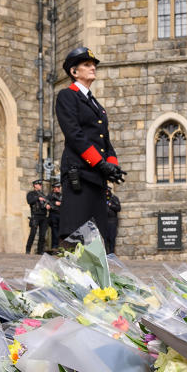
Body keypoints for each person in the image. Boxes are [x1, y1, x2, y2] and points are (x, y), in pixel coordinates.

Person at [55, 46, 125, 242]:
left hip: (96, 176)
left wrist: (113, 165)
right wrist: (99, 163)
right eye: (87, 65)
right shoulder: (67, 96)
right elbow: (74, 134)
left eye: (93, 65)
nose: (93, 68)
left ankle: (93, 271)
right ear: (74, 72)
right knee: (77, 232)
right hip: (80, 173)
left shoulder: (97, 106)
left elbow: (105, 140)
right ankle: (72, 272)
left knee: (96, 234)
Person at [25, 179, 48, 254]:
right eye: (39, 184)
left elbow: (46, 203)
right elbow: (29, 201)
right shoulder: (31, 193)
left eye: (41, 184)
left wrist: (47, 206)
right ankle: (28, 250)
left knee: (42, 234)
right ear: (35, 185)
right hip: (35, 215)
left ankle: (40, 250)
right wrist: (37, 198)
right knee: (33, 233)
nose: (41, 186)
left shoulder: (43, 194)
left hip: (43, 216)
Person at [105, 186, 121, 254]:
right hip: (104, 221)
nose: (107, 193)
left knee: (112, 238)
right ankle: (106, 254)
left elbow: (118, 208)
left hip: (112, 221)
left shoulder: (114, 198)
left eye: (108, 191)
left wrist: (111, 205)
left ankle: (111, 253)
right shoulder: (102, 199)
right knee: (105, 239)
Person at [47, 182, 62, 250]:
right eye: (57, 187)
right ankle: (54, 246)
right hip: (53, 214)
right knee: (54, 231)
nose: (59, 188)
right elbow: (46, 202)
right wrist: (54, 203)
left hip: (61, 214)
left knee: (60, 231)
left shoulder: (61, 195)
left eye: (59, 187)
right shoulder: (50, 195)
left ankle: (60, 246)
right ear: (54, 188)